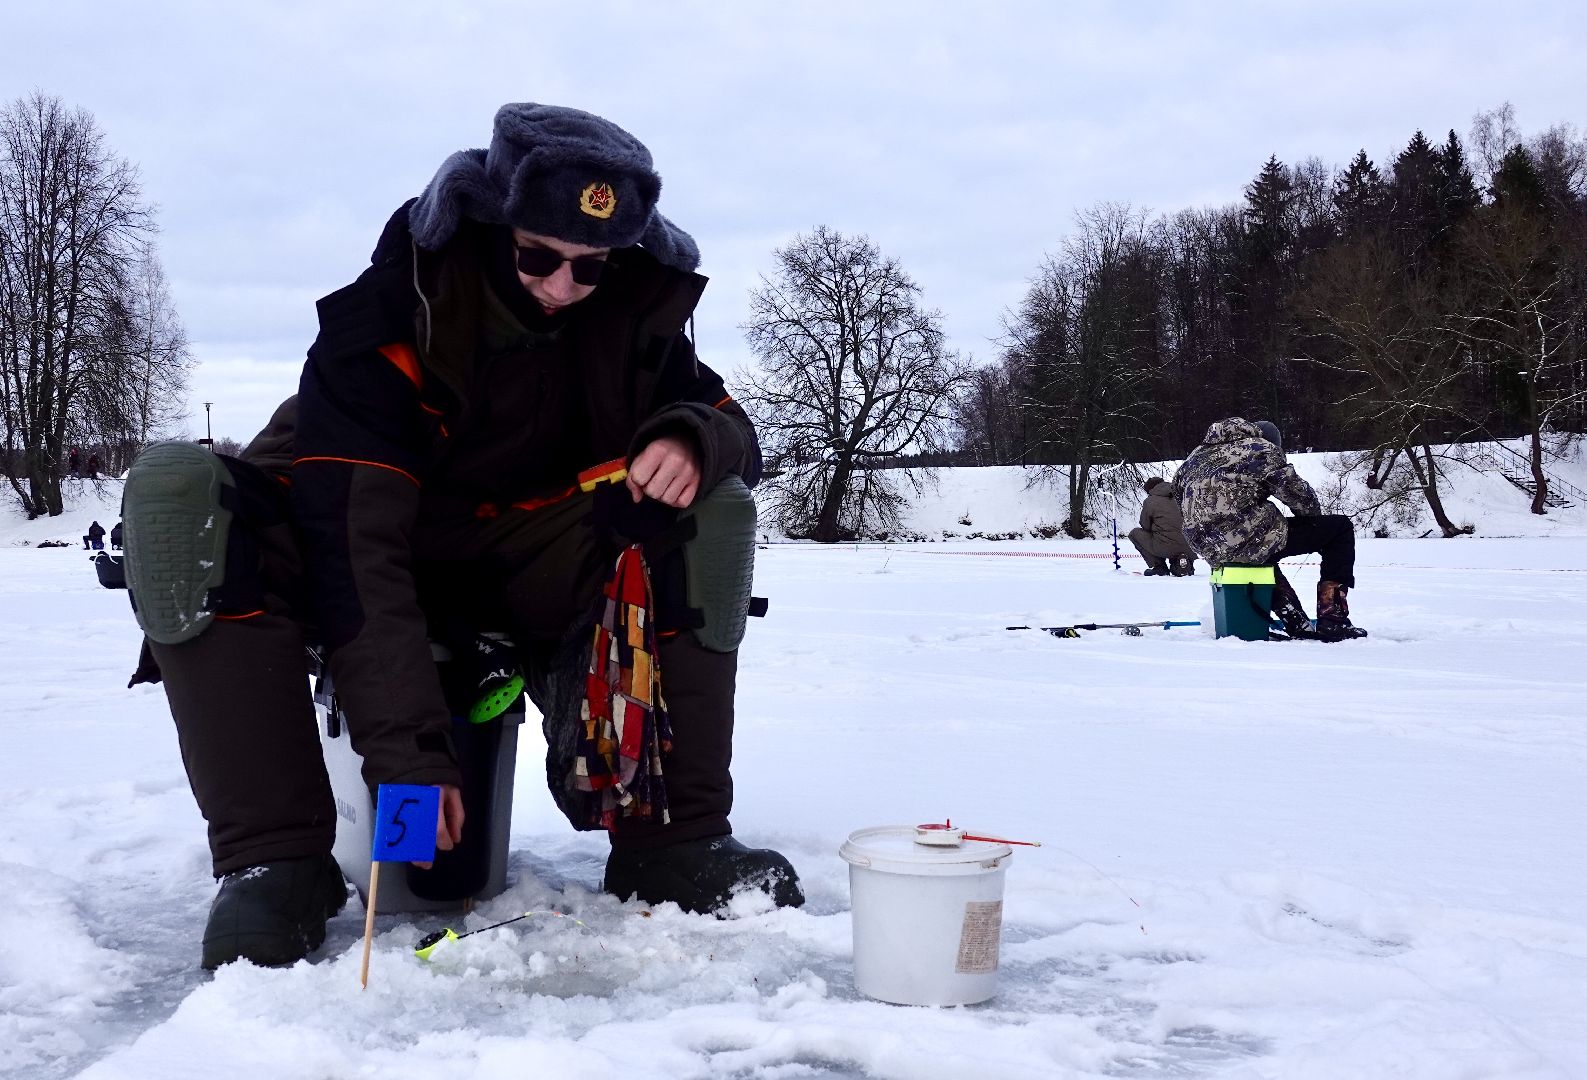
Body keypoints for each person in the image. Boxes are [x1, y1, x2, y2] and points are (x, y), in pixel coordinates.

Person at [121, 103, 802, 970]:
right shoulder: (384, 318)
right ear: (489, 225)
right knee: (176, 491)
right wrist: (409, 758)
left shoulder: (628, 313)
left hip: (522, 560)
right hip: (351, 550)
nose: (563, 286)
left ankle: (672, 838)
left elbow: (733, 425)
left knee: (712, 507)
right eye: (538, 257)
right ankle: (274, 861)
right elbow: (356, 551)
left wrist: (691, 438)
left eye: (590, 266)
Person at [1173, 418, 1367, 641]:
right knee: (1339, 529)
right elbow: (1299, 496)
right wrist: (1313, 524)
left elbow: (1181, 503)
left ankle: (1296, 622)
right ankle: (1333, 619)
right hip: (1245, 535)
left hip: (1207, 546)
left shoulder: (1194, 459)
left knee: (1259, 553)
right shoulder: (1261, 448)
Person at [1127, 477, 1195, 577]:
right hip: (1191, 545)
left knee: (1135, 534)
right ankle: (1185, 565)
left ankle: (1159, 567)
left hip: (1166, 546)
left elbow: (1145, 525)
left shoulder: (1150, 501)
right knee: (1181, 534)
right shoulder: (1183, 495)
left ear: (1150, 489)